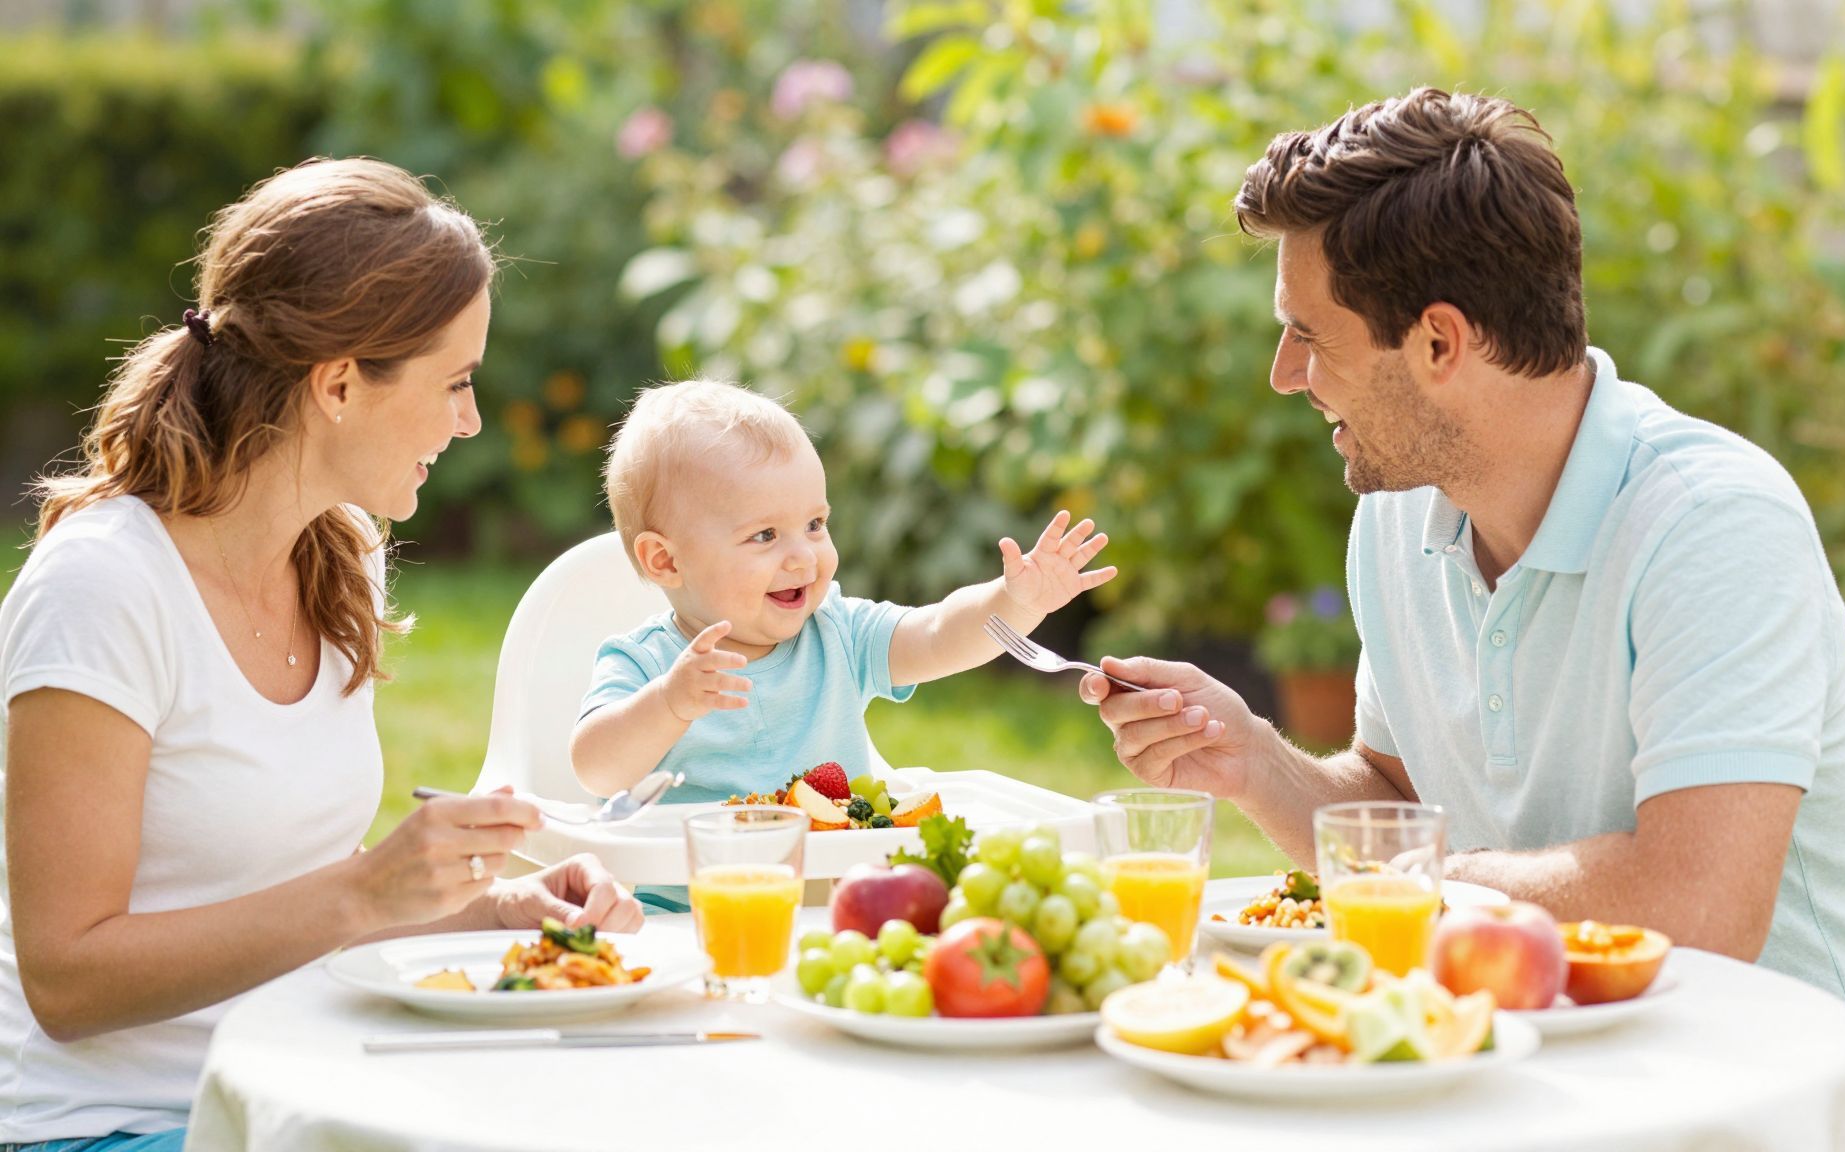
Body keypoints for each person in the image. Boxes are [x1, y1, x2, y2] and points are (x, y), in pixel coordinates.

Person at [1078, 89, 1845, 1151]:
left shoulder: (1710, 525)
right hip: (1534, 1095)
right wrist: (1253, 762)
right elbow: (1394, 807)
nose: (1284, 376)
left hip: (1789, 1117)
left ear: (1439, 342)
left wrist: (1415, 883)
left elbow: (1699, 910)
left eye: (1307, 335)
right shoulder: (1398, 516)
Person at [0, 158, 641, 1152]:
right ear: (339, 383)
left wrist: (495, 909)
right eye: (455, 382)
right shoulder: (103, 590)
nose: (470, 419)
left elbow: (286, 897)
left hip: (289, 1090)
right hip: (114, 1129)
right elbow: (67, 980)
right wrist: (364, 888)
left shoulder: (338, 554)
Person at [569, 380, 1114, 821]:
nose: (803, 557)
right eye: (764, 535)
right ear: (665, 561)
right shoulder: (646, 663)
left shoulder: (838, 632)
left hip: (838, 894)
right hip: (691, 903)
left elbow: (938, 635)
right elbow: (595, 769)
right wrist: (669, 703)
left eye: (814, 524)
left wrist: (1016, 602)